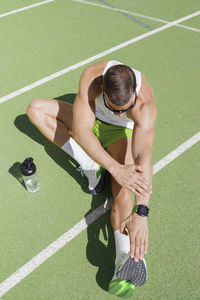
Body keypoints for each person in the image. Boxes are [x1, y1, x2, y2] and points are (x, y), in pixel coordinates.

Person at [27, 60, 156, 298]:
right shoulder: (92, 77)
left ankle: (123, 257)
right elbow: (82, 131)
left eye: (124, 109)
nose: (120, 112)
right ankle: (90, 167)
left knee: (123, 193)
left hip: (121, 135)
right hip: (90, 122)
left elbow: (143, 158)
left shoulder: (144, 105)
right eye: (115, 108)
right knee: (35, 109)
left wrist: (142, 212)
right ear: (103, 90)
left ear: (134, 95)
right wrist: (114, 168)